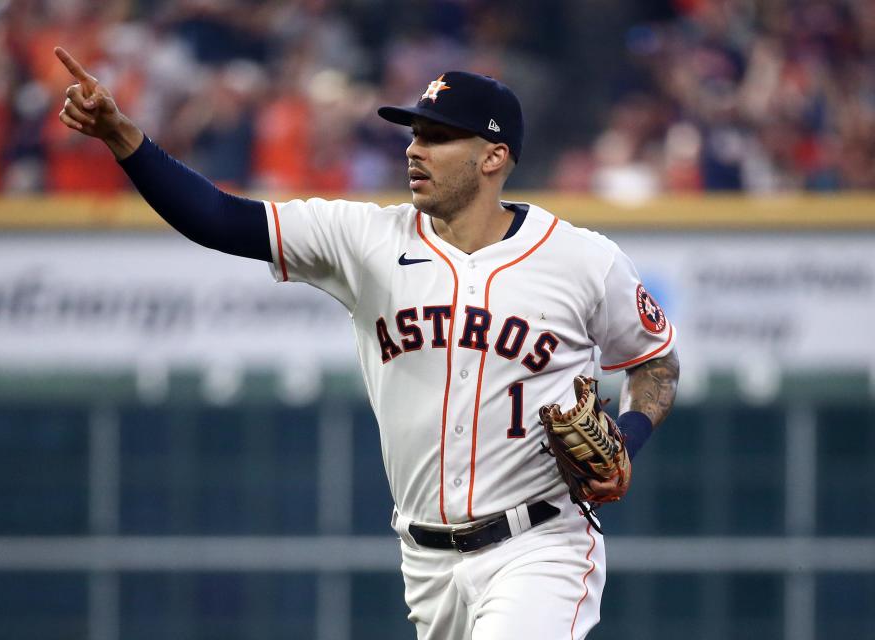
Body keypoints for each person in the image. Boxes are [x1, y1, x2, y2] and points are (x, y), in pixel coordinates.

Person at [55, 46, 680, 639]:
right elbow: (218, 218)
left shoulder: (581, 260)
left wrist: (630, 435)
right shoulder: (366, 239)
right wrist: (121, 137)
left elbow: (655, 363)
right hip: (426, 559)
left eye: (436, 137)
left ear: (493, 157)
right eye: (413, 134)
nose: (414, 150)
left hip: (542, 544)